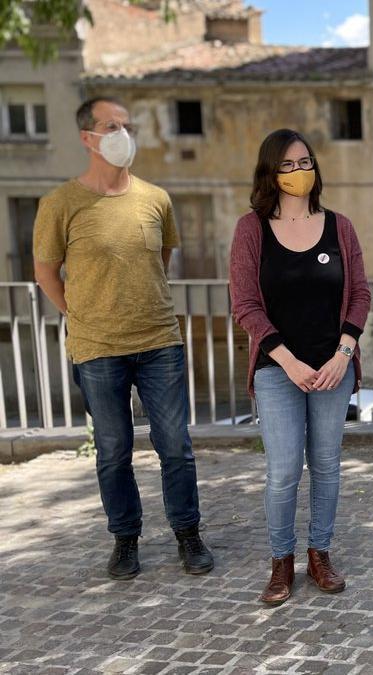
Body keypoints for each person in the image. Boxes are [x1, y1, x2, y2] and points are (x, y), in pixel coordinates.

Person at [32, 97, 213, 580]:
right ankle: (125, 539)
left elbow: (163, 258)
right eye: (111, 126)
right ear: (87, 137)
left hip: (159, 341)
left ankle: (187, 533)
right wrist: (80, 314)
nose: (123, 135)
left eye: (127, 126)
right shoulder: (60, 204)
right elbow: (46, 272)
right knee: (113, 449)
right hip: (97, 349)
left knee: (175, 444)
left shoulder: (155, 198)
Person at [229, 129, 371, 604]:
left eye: (304, 162)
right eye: (286, 165)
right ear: (270, 172)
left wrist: (343, 354)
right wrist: (288, 362)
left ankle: (320, 553)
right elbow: (246, 305)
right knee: (284, 469)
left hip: (334, 367)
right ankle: (281, 562)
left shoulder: (340, 226)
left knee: (327, 466)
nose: (298, 173)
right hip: (278, 371)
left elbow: (360, 295)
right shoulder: (251, 230)